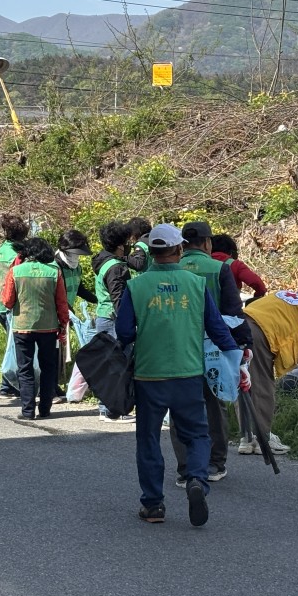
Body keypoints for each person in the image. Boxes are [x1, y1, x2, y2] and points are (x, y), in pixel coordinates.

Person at [114, 223, 240, 526]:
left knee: (148, 440)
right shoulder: (195, 284)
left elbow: (124, 331)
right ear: (179, 249)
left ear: (153, 253)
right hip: (188, 374)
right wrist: (236, 360)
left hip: (149, 375)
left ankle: (154, 505)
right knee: (197, 434)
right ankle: (197, 478)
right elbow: (217, 328)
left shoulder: (137, 285)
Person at [172, 220, 254, 484]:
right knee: (214, 404)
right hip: (213, 349)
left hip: (176, 350)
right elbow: (233, 312)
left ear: (182, 245)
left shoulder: (168, 268)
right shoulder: (219, 268)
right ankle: (214, 463)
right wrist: (243, 345)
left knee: (181, 406)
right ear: (207, 243)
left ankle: (186, 468)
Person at [239, 285, 298, 455]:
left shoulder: (281, 296)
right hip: (259, 335)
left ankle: (247, 439)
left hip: (238, 326)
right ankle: (262, 440)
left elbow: (252, 302)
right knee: (263, 385)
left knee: (244, 383)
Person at [2, 237, 70, 421]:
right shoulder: (54, 272)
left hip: (22, 327)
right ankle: (45, 408)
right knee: (48, 368)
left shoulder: (15, 271)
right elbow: (62, 303)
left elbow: (7, 302)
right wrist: (63, 324)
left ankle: (28, 410)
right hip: (48, 327)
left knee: (25, 369)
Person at [92, 221, 134, 421]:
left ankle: (105, 407)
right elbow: (119, 297)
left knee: (108, 363)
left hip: (103, 316)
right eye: (127, 243)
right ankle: (113, 409)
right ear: (120, 246)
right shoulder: (116, 267)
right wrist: (127, 322)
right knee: (119, 364)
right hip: (113, 319)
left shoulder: (103, 262)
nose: (129, 247)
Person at [52, 229, 97, 404]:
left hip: (66, 313)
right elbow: (56, 293)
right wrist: (66, 312)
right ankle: (50, 388)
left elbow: (78, 289)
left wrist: (97, 299)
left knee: (61, 351)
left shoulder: (76, 267)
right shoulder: (54, 266)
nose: (75, 258)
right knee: (53, 352)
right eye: (73, 253)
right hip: (54, 314)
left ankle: (56, 386)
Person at [0, 214, 30, 399]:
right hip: (11, 304)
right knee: (14, 347)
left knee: (11, 344)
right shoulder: (18, 254)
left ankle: (10, 386)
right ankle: (7, 386)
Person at [211, 234, 267, 299]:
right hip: (229, 307)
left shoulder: (200, 263)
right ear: (232, 252)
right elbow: (258, 284)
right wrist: (256, 297)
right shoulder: (235, 265)